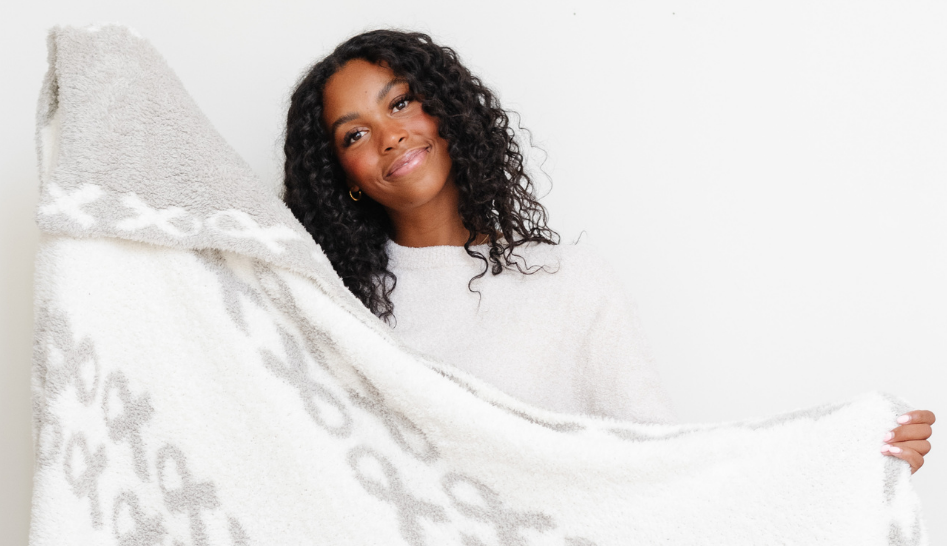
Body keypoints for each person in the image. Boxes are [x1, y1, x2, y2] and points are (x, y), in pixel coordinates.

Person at [284, 30, 934, 468]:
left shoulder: (566, 281)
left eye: (401, 103)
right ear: (341, 181)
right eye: (354, 135)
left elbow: (661, 462)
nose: (389, 136)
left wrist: (836, 456)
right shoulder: (336, 311)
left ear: (449, 114)